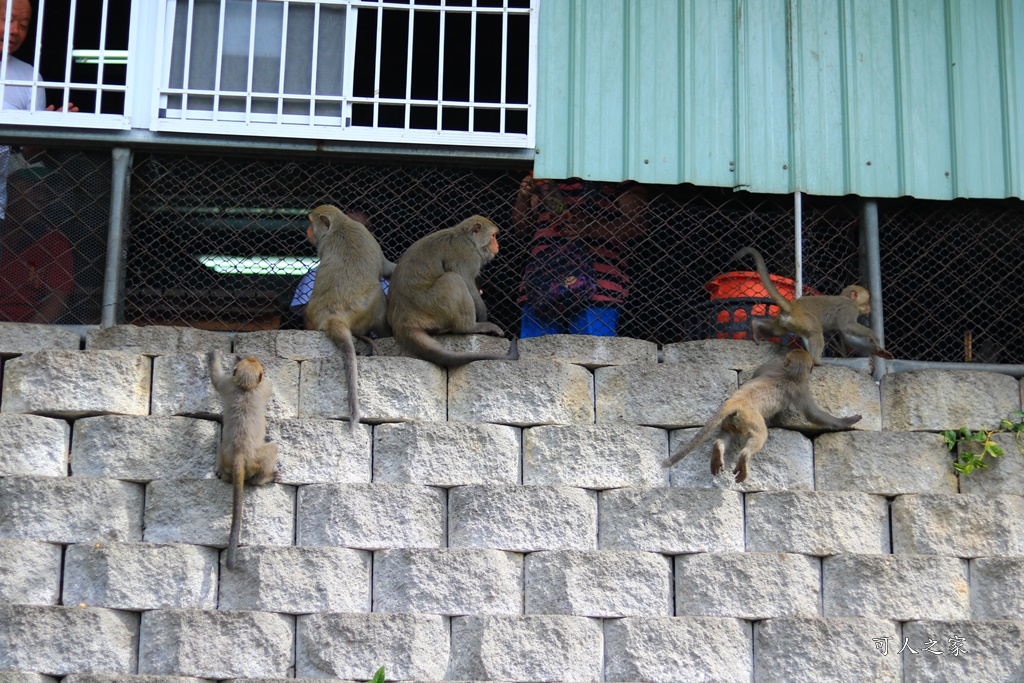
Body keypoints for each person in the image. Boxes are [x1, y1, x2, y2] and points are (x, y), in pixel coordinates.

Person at [511, 172, 648, 338]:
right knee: (535, 355)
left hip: (598, 281)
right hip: (543, 279)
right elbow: (521, 229)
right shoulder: (546, 176)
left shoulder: (619, 174)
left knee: (592, 354)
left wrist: (590, 228)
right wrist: (524, 196)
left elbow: (638, 224)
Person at [0, 0, 77, 219]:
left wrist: (48, 132)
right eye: (6, 20)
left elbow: (24, 158)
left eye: (23, 25)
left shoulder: (29, 77)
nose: (14, 31)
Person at [289, 209, 388, 330]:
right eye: (351, 227)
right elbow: (312, 329)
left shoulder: (385, 277)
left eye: (365, 228)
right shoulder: (314, 276)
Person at [0, 166, 73, 323]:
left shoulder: (54, 240)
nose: (42, 198)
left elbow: (57, 298)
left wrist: (29, 335)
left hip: (27, 331)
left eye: (45, 192)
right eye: (33, 188)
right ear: (7, 188)